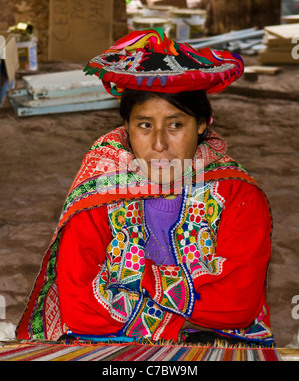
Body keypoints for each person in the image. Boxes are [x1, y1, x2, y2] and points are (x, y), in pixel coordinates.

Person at [16, 28, 275, 346]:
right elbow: (79, 308)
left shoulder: (238, 195)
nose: (159, 143)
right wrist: (190, 309)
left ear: (203, 124)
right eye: (144, 125)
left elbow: (238, 305)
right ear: (126, 127)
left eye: (176, 124)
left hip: (207, 344)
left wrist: (134, 279)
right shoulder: (99, 189)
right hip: (142, 344)